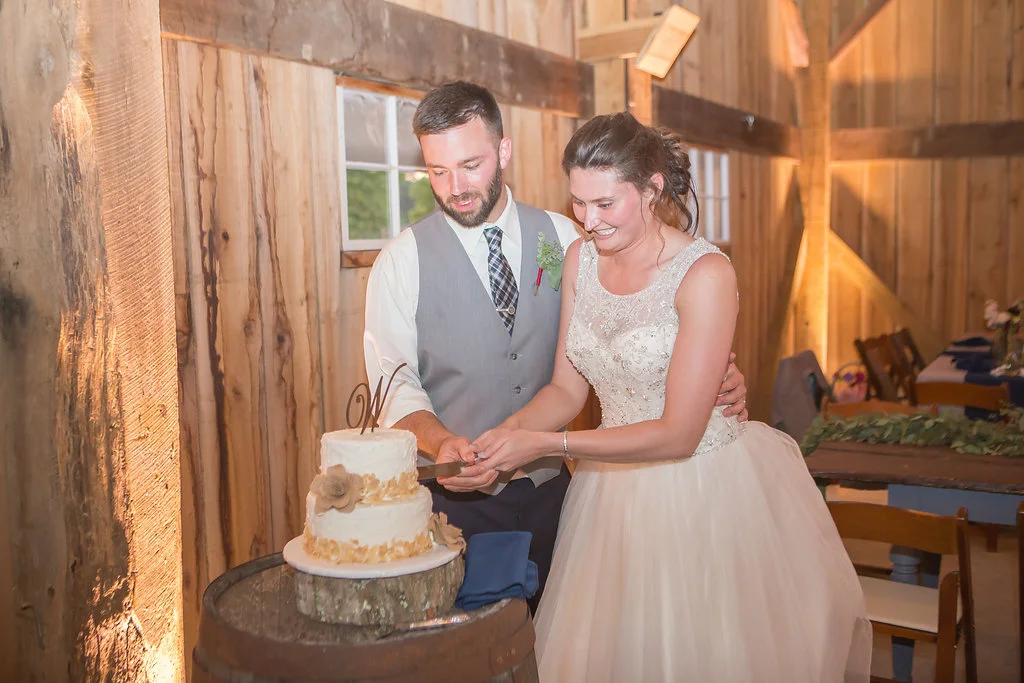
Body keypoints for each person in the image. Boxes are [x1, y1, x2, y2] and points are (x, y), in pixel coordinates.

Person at [472, 112, 873, 682]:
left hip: (701, 490)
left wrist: (545, 444)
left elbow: (680, 433)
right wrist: (509, 434)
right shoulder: (580, 259)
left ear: (651, 189)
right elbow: (566, 388)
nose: (588, 220)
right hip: (611, 495)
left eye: (604, 203)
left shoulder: (704, 274)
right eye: (578, 203)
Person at [363, 82, 750, 612]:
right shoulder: (401, 261)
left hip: (558, 492)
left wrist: (720, 375)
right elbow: (393, 385)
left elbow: (656, 328)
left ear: (503, 150)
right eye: (438, 171)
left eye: (471, 165)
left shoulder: (571, 236)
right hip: (457, 499)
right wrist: (448, 442)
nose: (457, 187)